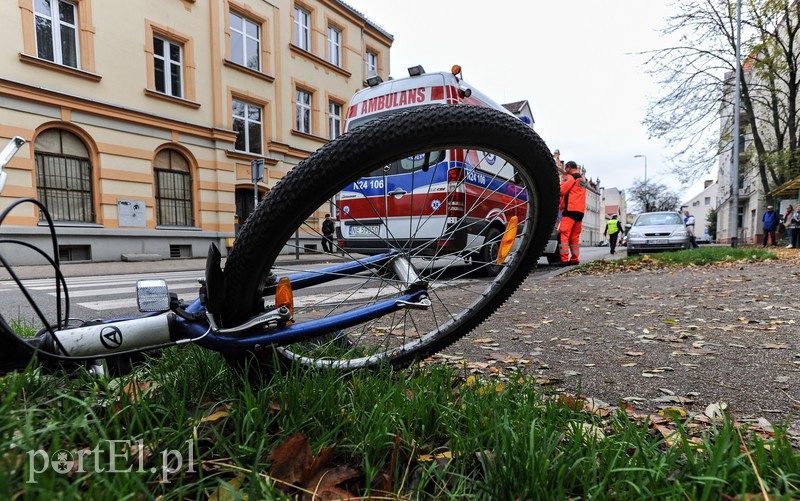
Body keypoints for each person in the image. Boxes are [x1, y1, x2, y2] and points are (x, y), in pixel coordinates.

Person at [558, 161, 587, 265]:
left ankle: (564, 260)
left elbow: (561, 191)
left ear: (569, 167)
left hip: (570, 210)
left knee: (564, 234)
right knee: (574, 237)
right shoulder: (582, 180)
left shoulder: (570, 177)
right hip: (580, 212)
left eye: (566, 169)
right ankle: (575, 259)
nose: (566, 171)